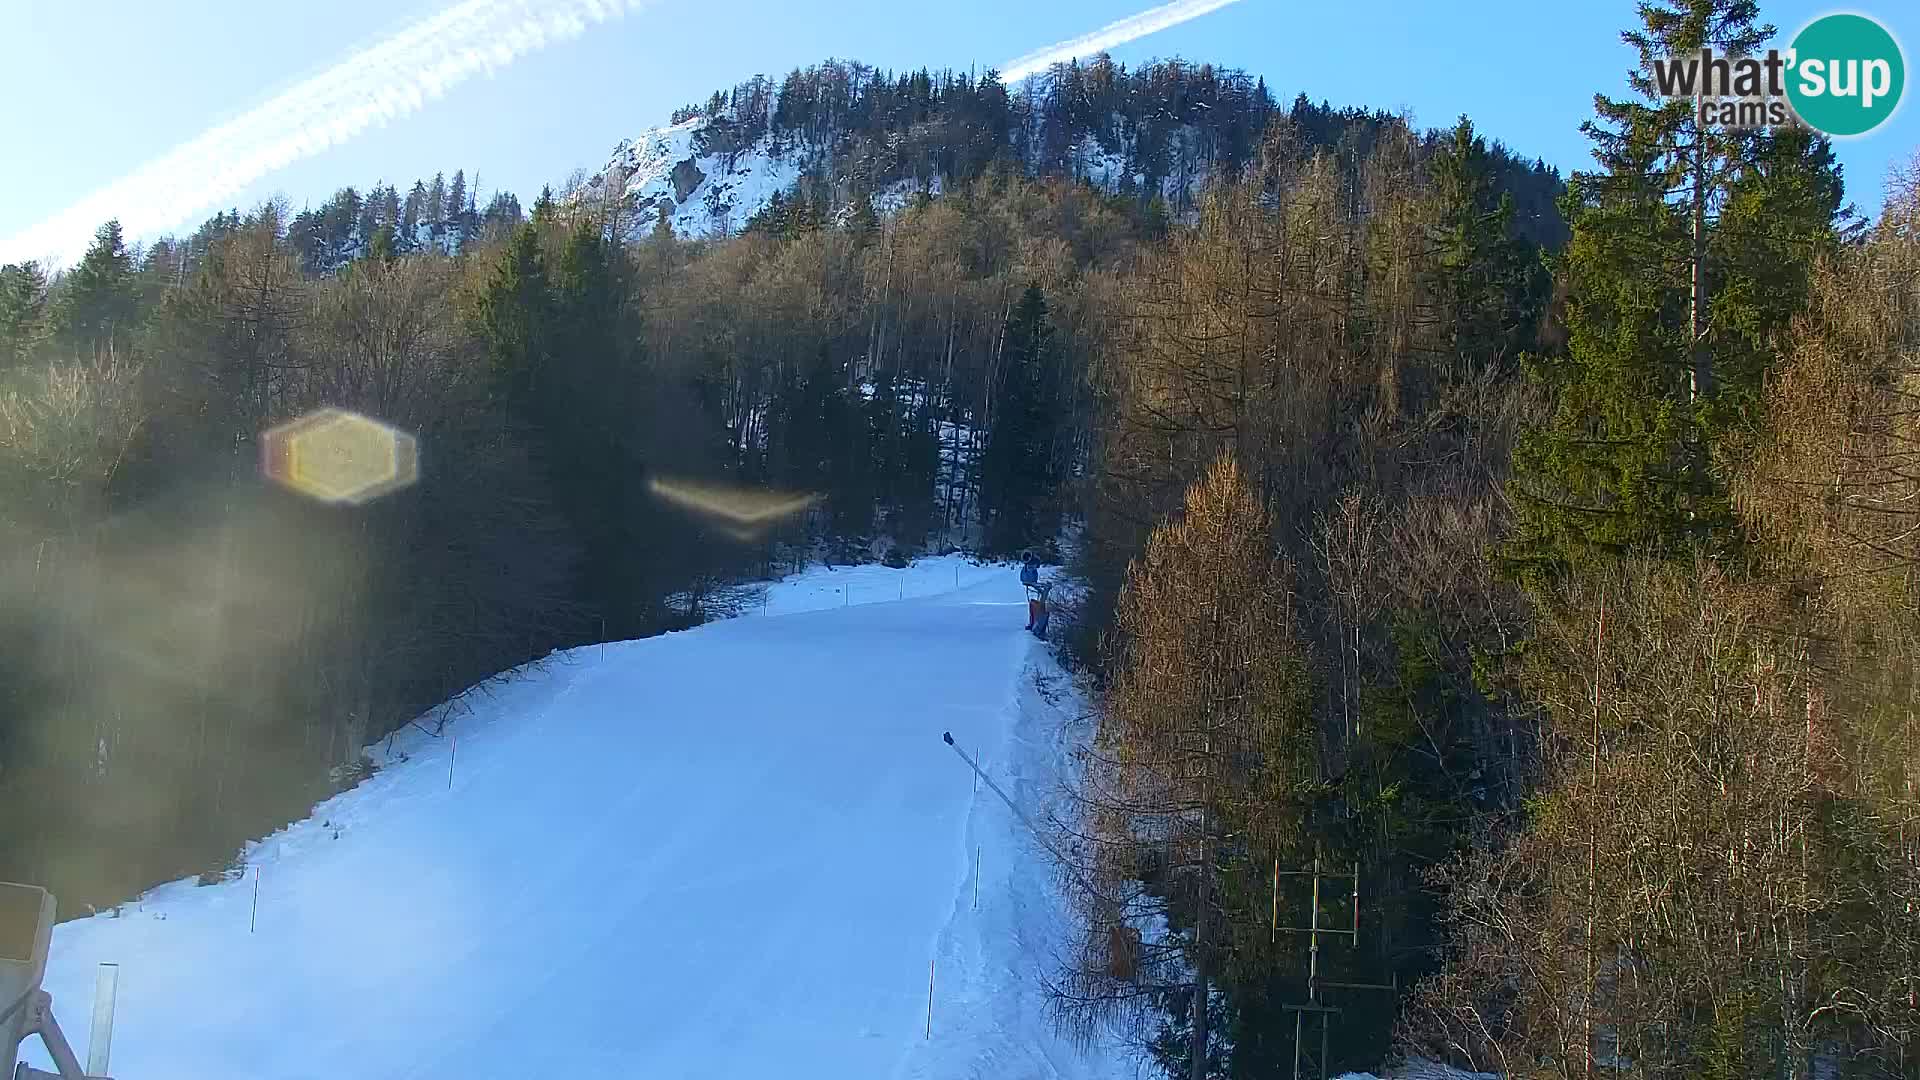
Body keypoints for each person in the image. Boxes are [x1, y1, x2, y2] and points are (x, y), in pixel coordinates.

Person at [1019, 552, 1041, 629]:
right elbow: (1023, 578)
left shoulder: (1031, 569)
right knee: (1032, 606)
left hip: (1032, 586)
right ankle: (1033, 622)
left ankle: (1034, 622)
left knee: (1035, 605)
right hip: (1029, 585)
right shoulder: (1026, 568)